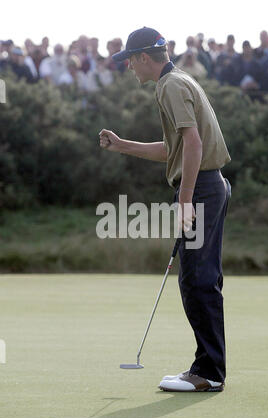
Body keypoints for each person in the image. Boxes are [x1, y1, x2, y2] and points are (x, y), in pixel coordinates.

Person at [99, 27, 232, 393]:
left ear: (144, 57)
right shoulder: (178, 81)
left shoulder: (169, 86)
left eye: (129, 60)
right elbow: (174, 148)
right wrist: (123, 145)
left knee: (197, 281)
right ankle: (208, 366)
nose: (129, 68)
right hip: (209, 185)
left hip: (202, 189)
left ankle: (209, 372)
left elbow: (193, 143)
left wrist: (186, 200)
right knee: (200, 279)